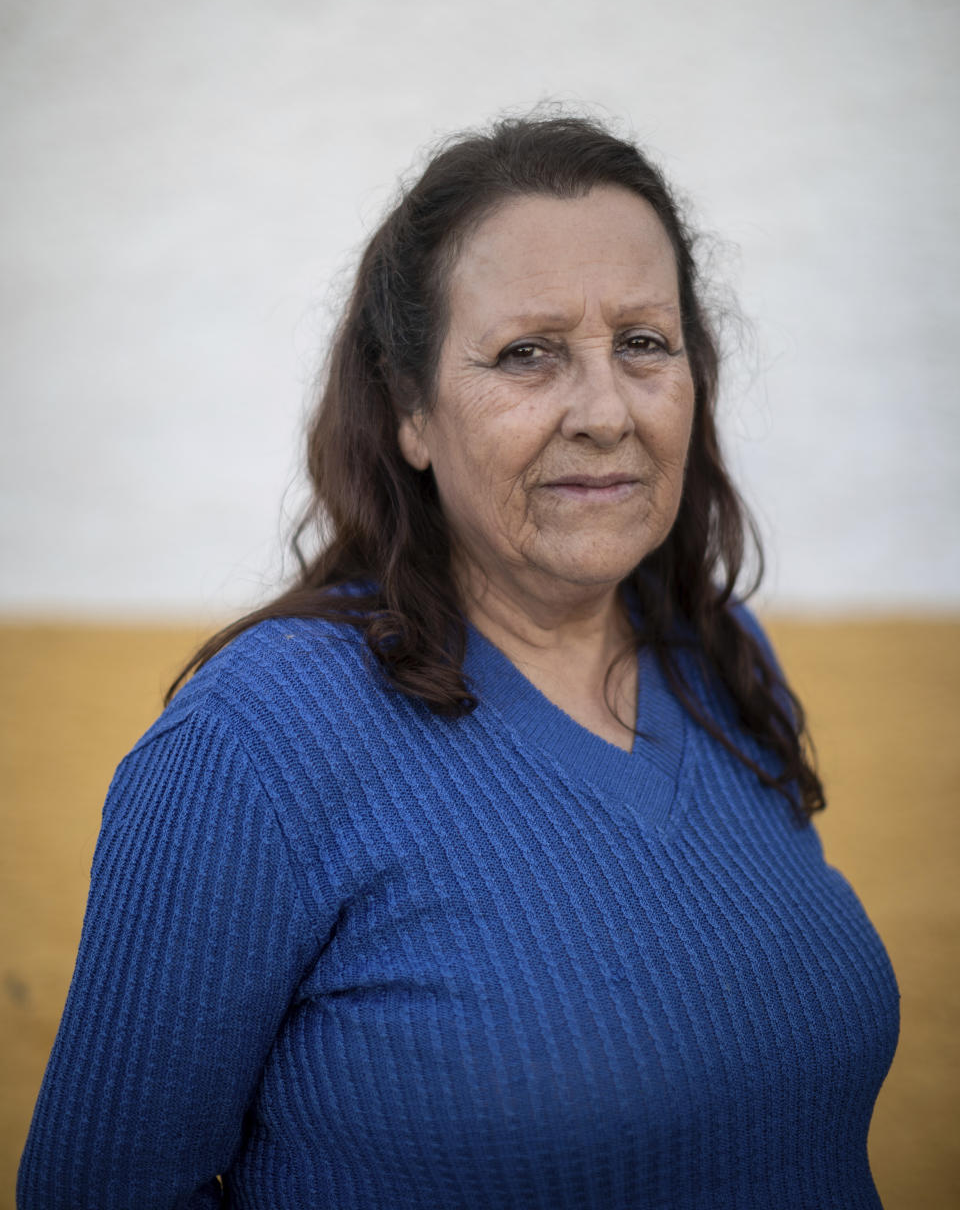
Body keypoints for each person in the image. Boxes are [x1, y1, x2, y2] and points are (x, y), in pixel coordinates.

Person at [18, 113, 900, 1209]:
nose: (604, 412)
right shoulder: (258, 746)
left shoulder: (724, 659)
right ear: (410, 415)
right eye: (527, 354)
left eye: (643, 342)